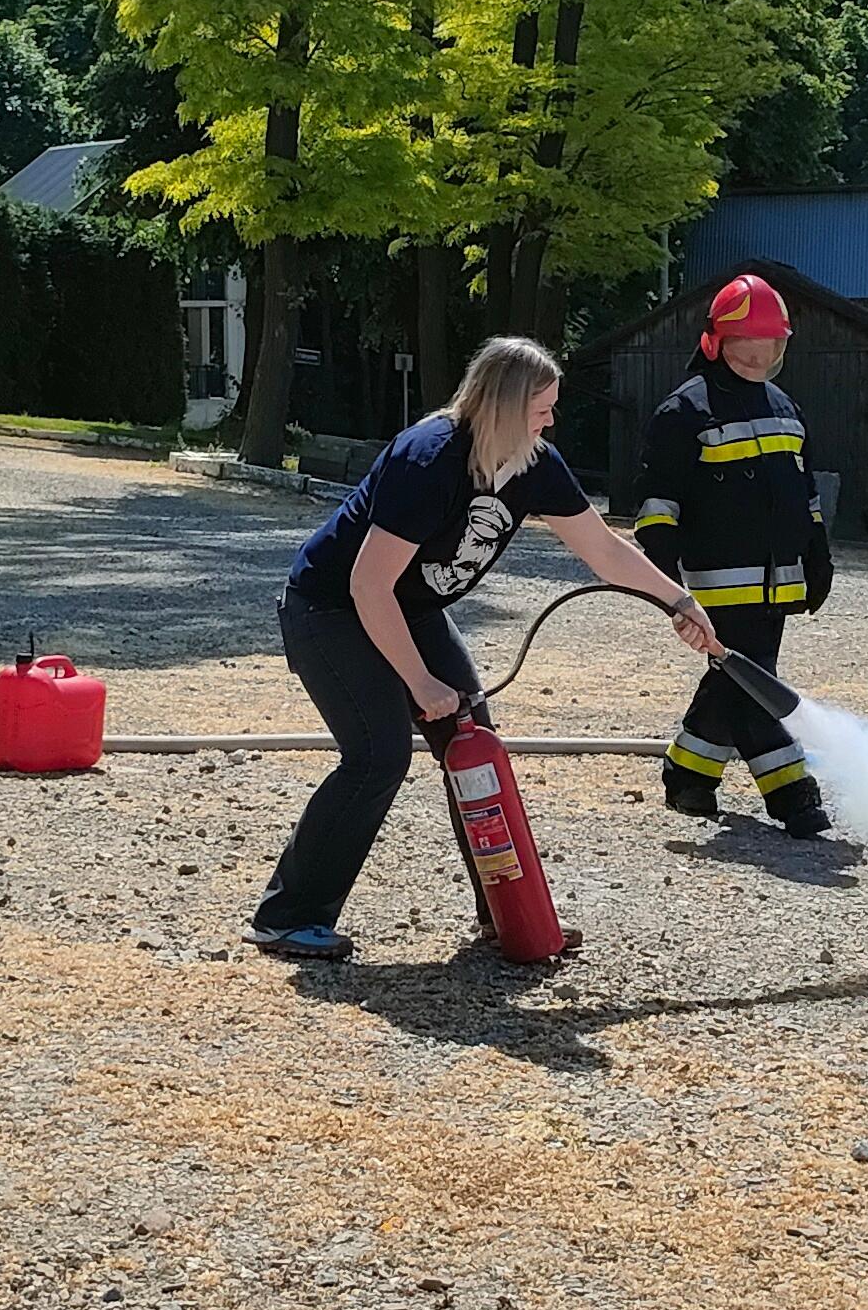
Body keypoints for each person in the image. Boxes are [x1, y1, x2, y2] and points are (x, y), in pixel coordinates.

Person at [250, 333, 721, 963]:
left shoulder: (535, 463)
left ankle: (510, 917)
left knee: (477, 754)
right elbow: (368, 584)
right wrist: (420, 682)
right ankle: (288, 918)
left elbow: (605, 550)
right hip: (330, 609)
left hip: (412, 610)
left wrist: (680, 603)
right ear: (502, 405)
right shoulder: (429, 458)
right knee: (378, 755)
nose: (551, 421)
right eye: (541, 409)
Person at [633, 271, 836, 834]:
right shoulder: (684, 411)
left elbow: (806, 493)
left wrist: (817, 552)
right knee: (752, 682)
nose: (757, 353)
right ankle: (792, 793)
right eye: (745, 340)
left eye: (769, 342)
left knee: (737, 679)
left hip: (779, 582)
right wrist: (666, 584)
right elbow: (656, 507)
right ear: (716, 340)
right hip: (717, 585)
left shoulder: (785, 407)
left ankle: (690, 775)